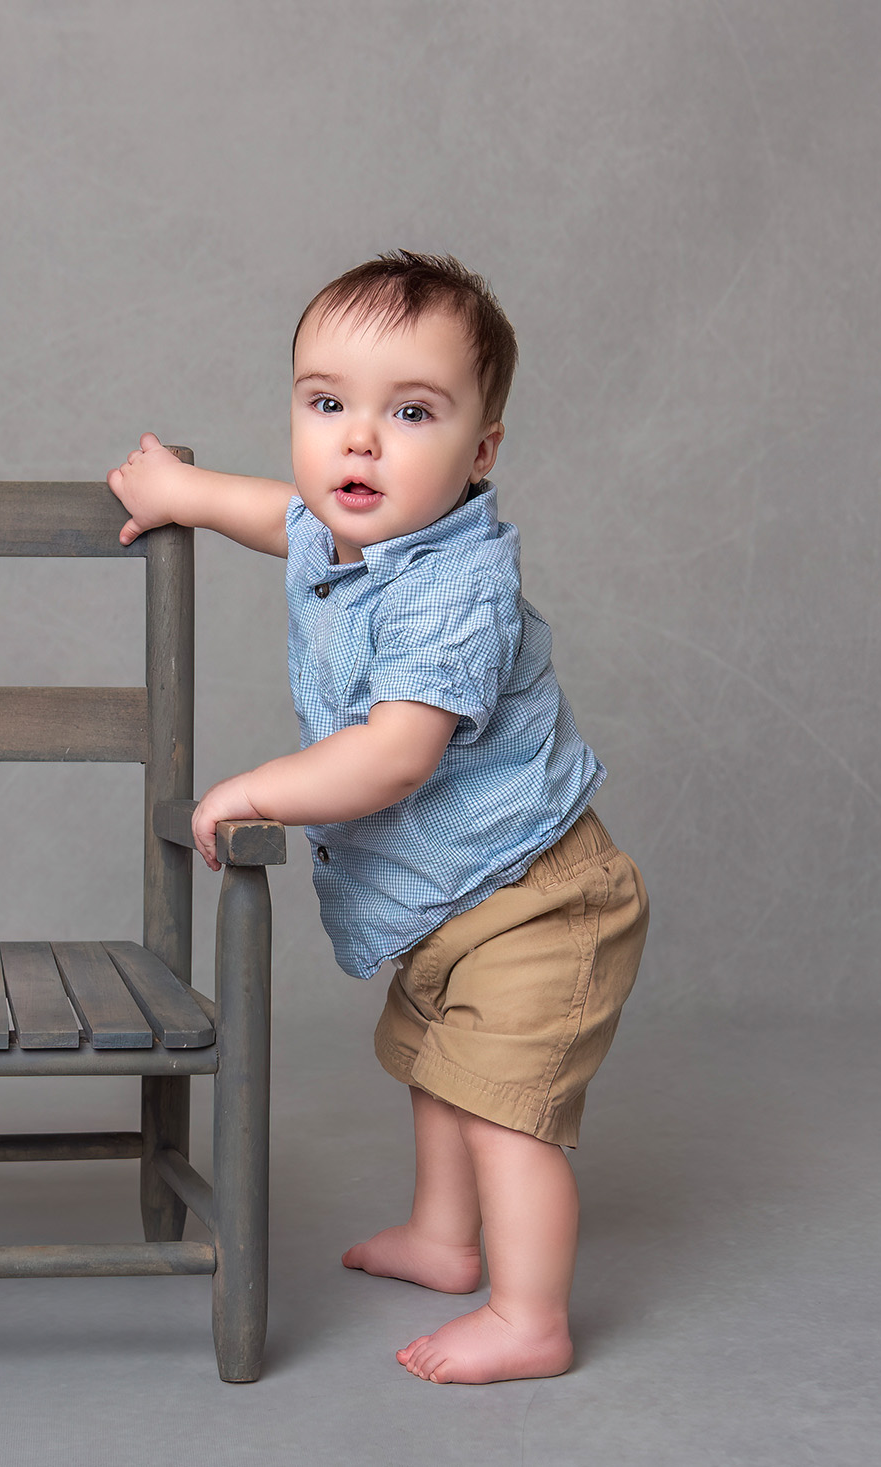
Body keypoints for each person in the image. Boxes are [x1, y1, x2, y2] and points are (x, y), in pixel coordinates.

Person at [107, 253, 647, 1385]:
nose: (358, 440)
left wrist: (255, 787)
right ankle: (443, 1242)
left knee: (505, 1110)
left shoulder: (457, 587)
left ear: (480, 450)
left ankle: (529, 1313)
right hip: (450, 898)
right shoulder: (341, 525)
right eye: (325, 404)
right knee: (436, 1070)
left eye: (409, 412)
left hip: (536, 897)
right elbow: (276, 512)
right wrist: (184, 497)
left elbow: (397, 758)